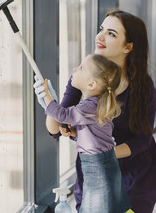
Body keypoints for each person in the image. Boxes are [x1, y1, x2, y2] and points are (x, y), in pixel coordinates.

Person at [34, 9, 156, 213]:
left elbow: (142, 141)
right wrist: (49, 102)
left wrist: (104, 154)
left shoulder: (143, 87)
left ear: (128, 46)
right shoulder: (84, 76)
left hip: (136, 173)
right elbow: (55, 130)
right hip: (94, 172)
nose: (100, 37)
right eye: (101, 29)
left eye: (111, 34)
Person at [40, 54, 132, 212]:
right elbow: (96, 138)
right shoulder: (96, 105)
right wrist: (76, 134)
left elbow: (62, 115)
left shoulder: (88, 107)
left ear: (91, 84)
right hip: (105, 163)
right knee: (109, 203)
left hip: (97, 167)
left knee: (97, 206)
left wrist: (48, 98)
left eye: (81, 68)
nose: (75, 69)